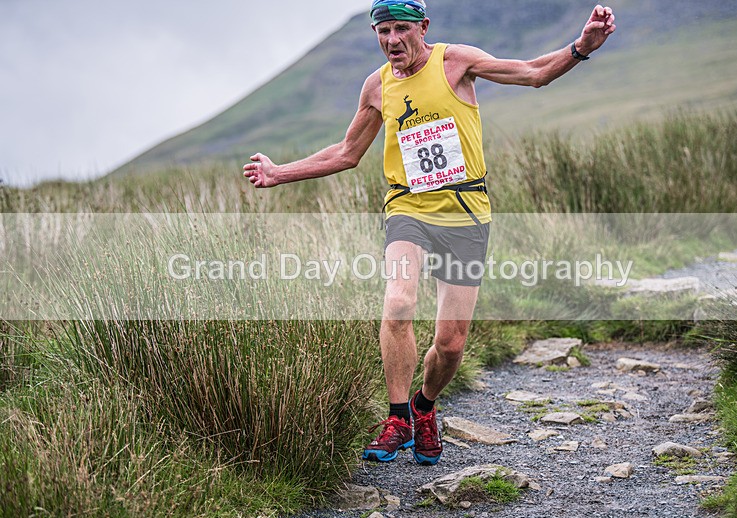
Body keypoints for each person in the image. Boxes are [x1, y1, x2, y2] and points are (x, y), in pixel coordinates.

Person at [243, 0, 616, 465]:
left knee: (451, 343)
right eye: (382, 31)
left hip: (465, 211)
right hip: (408, 207)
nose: (392, 40)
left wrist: (581, 47)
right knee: (399, 301)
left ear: (423, 27)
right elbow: (346, 152)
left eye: (401, 29)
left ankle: (424, 406)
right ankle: (398, 417)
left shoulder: (455, 61)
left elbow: (532, 72)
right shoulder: (377, 85)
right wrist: (279, 173)